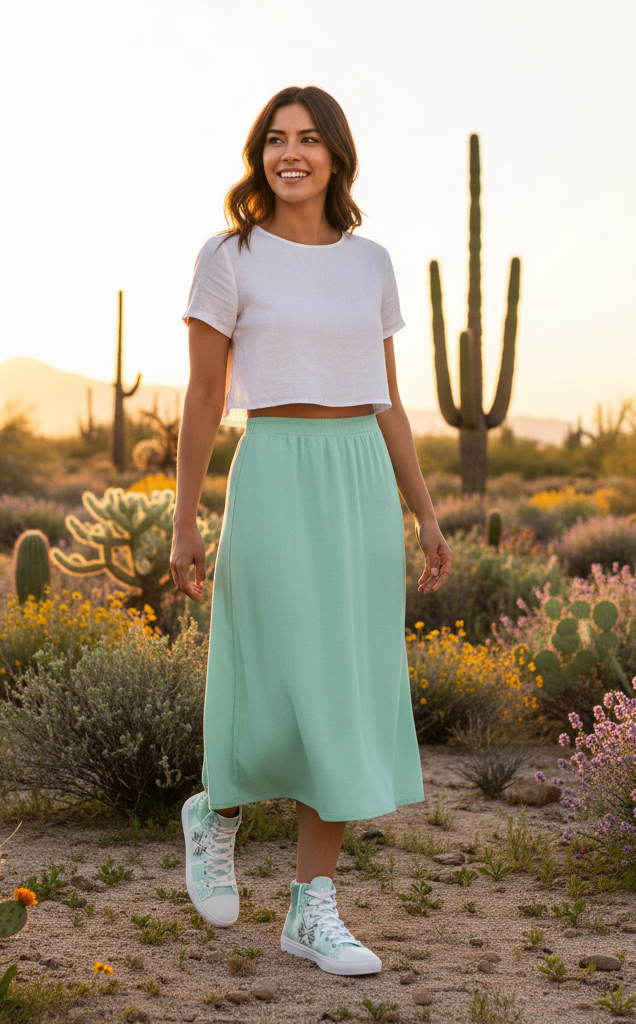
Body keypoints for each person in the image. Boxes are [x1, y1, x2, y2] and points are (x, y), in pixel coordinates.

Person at [171, 85, 452, 977]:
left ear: (336, 153)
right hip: (275, 467)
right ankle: (215, 808)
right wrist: (184, 520)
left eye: (308, 139)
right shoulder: (230, 257)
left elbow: (391, 402)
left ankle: (312, 909)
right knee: (272, 664)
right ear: (261, 156)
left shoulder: (371, 263)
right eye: (275, 141)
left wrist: (426, 514)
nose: (291, 154)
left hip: (359, 476)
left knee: (339, 687)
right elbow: (207, 399)